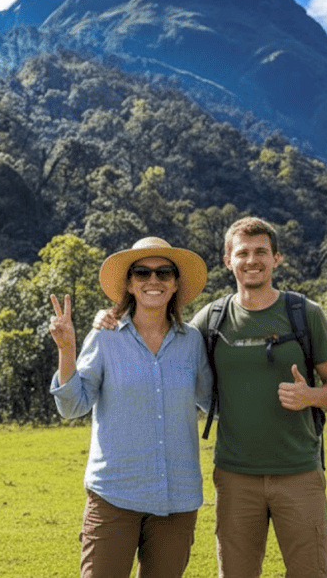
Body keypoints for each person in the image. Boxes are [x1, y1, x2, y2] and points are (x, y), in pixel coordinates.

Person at [95, 217, 327, 578]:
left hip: (299, 473)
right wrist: (110, 317)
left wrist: (310, 396)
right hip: (235, 476)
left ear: (277, 258)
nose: (252, 260)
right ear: (228, 260)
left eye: (261, 251)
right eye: (242, 252)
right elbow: (159, 329)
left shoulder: (305, 314)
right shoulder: (211, 320)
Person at [49, 236, 213, 578]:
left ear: (175, 283)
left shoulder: (193, 341)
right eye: (142, 272)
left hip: (177, 500)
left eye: (164, 272)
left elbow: (215, 402)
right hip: (114, 495)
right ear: (129, 283)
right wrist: (67, 350)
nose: (153, 280)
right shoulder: (105, 336)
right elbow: (73, 406)